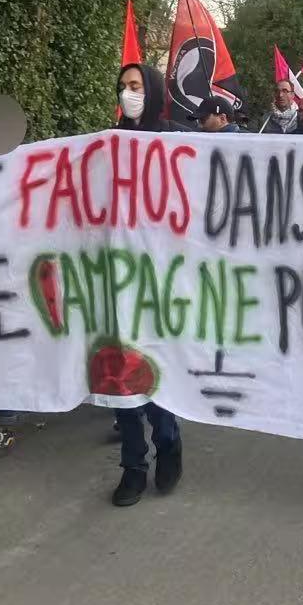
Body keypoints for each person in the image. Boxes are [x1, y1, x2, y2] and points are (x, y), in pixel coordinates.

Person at [109, 60, 184, 506]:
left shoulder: (174, 136)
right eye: (122, 87)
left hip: (162, 277)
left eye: (135, 86)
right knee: (121, 373)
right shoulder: (109, 141)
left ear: (152, 89)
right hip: (118, 275)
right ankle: (133, 465)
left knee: (156, 368)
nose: (128, 93)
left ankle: (169, 442)